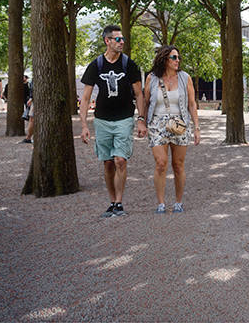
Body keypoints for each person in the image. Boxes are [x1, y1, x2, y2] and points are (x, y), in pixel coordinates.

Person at [78, 25, 144, 217]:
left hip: (124, 118)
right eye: (117, 39)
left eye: (122, 39)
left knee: (120, 160)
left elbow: (139, 95)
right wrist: (84, 125)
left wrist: (141, 120)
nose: (121, 42)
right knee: (108, 163)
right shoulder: (96, 65)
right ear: (107, 41)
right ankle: (112, 201)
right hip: (102, 120)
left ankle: (120, 203)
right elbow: (85, 97)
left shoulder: (129, 65)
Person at [140, 45, 200, 214]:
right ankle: (161, 203)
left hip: (179, 125)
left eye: (178, 58)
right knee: (161, 164)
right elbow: (145, 102)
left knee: (178, 164)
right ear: (164, 59)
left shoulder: (185, 78)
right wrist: (141, 122)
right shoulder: (151, 78)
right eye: (174, 57)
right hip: (157, 124)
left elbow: (192, 104)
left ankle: (178, 202)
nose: (178, 61)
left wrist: (196, 127)